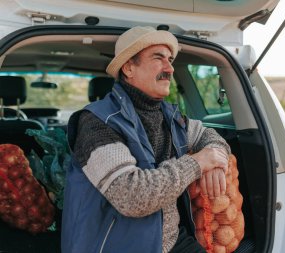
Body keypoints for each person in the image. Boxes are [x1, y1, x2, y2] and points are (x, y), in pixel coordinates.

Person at [61, 26, 231, 253]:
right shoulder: (98, 122)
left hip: (170, 242)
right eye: (158, 58)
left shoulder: (170, 116)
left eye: (170, 60)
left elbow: (209, 136)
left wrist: (215, 162)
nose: (169, 68)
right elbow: (132, 196)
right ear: (129, 67)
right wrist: (198, 163)